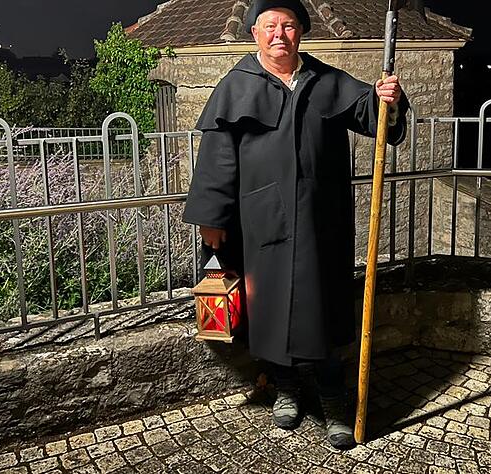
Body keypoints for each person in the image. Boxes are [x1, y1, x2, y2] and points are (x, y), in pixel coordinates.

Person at [183, 0, 408, 449]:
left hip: (320, 222)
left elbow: (373, 116)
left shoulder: (327, 80)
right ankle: (285, 388)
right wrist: (211, 219)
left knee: (321, 308)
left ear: (301, 32)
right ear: (255, 34)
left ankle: (332, 397)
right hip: (259, 222)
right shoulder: (236, 85)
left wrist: (390, 100)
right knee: (267, 309)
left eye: (288, 26)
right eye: (270, 27)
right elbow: (216, 159)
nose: (278, 35)